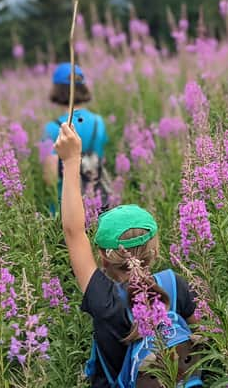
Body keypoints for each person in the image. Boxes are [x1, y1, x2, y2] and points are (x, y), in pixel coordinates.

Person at [54, 123, 200, 387]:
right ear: (154, 250)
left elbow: (73, 231)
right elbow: (206, 338)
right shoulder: (174, 285)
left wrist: (71, 160)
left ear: (103, 257)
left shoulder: (105, 302)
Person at [42, 63, 109, 214]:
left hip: (65, 207)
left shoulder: (52, 128)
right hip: (97, 203)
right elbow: (101, 160)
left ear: (57, 90)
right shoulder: (99, 122)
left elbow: (50, 178)